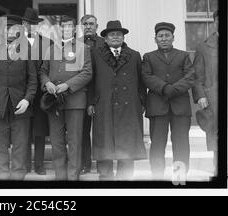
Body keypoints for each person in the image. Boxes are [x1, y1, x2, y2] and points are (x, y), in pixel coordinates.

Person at [88, 20, 147, 180]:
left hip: (129, 105)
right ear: (105, 38)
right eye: (112, 34)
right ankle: (105, 177)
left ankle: (124, 178)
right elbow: (90, 80)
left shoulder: (134, 55)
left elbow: (141, 82)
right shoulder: (95, 54)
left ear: (123, 37)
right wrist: (91, 102)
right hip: (104, 104)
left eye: (119, 34)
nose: (115, 37)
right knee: (104, 142)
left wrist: (142, 101)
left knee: (127, 142)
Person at [0, 14, 38, 180]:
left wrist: (27, 99)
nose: (10, 32)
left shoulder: (27, 49)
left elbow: (33, 80)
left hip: (20, 107)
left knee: (20, 147)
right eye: (7, 28)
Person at [39, 15, 92, 180]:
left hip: (75, 101)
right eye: (62, 26)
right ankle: (60, 176)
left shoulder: (83, 48)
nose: (66, 29)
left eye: (69, 26)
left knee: (75, 141)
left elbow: (87, 73)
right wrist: (47, 83)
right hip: (54, 101)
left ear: (75, 29)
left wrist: (67, 85)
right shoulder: (51, 49)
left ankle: (73, 176)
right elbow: (43, 71)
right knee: (56, 141)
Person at [141, 22, 195, 180]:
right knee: (157, 144)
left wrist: (174, 89)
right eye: (160, 36)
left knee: (181, 144)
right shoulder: (148, 57)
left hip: (180, 107)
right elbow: (146, 77)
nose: (164, 39)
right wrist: (164, 88)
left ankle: (180, 177)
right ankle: (158, 177)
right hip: (158, 107)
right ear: (155, 39)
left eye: (167, 36)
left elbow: (190, 77)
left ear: (173, 37)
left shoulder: (183, 55)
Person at [22, 8, 52, 175]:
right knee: (24, 130)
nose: (30, 26)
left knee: (39, 131)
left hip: (40, 93)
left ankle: (39, 165)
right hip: (22, 93)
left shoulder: (48, 43)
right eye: (28, 23)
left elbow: (50, 68)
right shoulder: (14, 43)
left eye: (34, 24)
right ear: (23, 24)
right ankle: (25, 164)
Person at [192, 10, 219, 176]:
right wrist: (201, 95)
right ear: (214, 22)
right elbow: (197, 75)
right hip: (215, 97)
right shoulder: (204, 46)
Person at [80, 14, 105, 175]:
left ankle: (103, 164)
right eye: (85, 24)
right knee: (82, 132)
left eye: (91, 24)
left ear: (97, 26)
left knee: (102, 130)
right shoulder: (75, 44)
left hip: (101, 91)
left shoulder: (105, 43)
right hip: (81, 92)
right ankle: (85, 164)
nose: (88, 26)